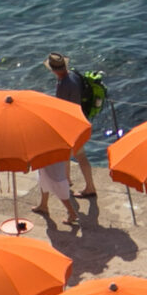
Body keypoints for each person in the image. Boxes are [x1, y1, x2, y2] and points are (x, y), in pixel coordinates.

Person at [45, 54, 103, 197]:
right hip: (80, 119)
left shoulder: (64, 84)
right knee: (68, 153)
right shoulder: (74, 75)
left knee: (80, 156)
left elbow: (62, 108)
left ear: (53, 70)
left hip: (71, 124)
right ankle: (67, 179)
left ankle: (90, 187)